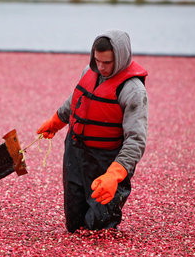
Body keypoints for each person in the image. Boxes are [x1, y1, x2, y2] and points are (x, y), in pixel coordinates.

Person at [37, 29, 148, 231]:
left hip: (107, 160)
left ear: (121, 58)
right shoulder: (89, 72)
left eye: (107, 62)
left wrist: (114, 175)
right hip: (76, 152)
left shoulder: (133, 90)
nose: (101, 67)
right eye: (98, 61)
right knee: (74, 222)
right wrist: (56, 121)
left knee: (98, 225)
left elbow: (136, 140)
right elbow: (77, 100)